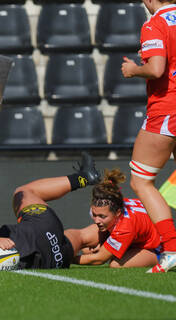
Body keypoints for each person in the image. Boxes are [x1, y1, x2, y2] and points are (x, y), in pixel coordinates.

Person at [121, 0, 176, 272]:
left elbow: (156, 68)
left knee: (141, 181)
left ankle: (171, 248)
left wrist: (133, 70)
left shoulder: (155, 24)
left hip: (167, 109)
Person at [66, 169, 161, 268]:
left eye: (102, 216)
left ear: (118, 213)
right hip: (134, 237)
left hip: (156, 248)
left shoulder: (125, 227)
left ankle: (160, 259)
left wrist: (68, 259)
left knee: (115, 264)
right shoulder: (108, 204)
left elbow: (99, 259)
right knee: (86, 245)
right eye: (94, 214)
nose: (97, 221)